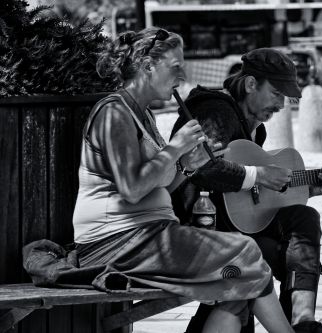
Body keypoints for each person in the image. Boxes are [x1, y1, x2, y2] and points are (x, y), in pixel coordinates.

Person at [72, 28, 295, 333]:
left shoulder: (143, 115)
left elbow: (160, 185)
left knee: (239, 284)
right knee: (245, 253)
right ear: (148, 66)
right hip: (116, 242)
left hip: (147, 236)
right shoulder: (114, 113)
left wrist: (188, 166)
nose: (182, 75)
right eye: (175, 66)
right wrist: (176, 147)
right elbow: (132, 189)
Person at [170, 48, 322, 333]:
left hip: (233, 224)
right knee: (270, 259)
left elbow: (250, 198)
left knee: (303, 218)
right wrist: (258, 175)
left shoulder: (254, 128)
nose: (282, 105)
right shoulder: (215, 110)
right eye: (276, 94)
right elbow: (204, 169)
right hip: (202, 226)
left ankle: (303, 320)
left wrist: (307, 189)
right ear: (250, 84)